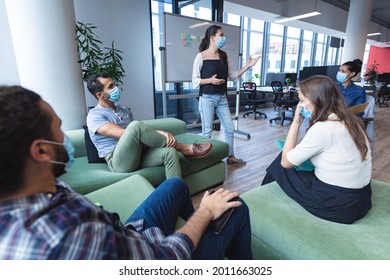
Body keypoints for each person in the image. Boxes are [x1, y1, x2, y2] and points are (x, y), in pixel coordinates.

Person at [0, 85, 252, 260]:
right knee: (235, 205)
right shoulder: (65, 236)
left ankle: (197, 230)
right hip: (151, 243)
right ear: (41, 152)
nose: (63, 136)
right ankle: (205, 236)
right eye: (58, 128)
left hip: (128, 231)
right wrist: (206, 212)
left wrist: (155, 139)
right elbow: (164, 259)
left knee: (175, 185)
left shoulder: (39, 187)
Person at [262, 75, 372, 224]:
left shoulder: (323, 128)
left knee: (279, 163)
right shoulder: (352, 120)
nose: (299, 106)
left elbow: (286, 163)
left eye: (301, 101)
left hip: (339, 205)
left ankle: (262, 206)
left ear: (315, 101)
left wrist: (296, 122)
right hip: (362, 200)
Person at [86, 73, 212, 178]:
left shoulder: (123, 109)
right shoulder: (94, 115)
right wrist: (159, 133)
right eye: (111, 86)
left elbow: (138, 138)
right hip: (118, 162)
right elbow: (125, 134)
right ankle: (185, 148)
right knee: (135, 126)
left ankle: (177, 196)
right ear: (99, 95)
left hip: (137, 153)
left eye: (114, 84)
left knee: (169, 152)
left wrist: (155, 137)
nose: (116, 88)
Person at [192, 24, 261, 165]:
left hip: (222, 98)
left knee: (230, 128)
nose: (223, 38)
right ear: (212, 38)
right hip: (207, 98)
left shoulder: (223, 56)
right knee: (207, 131)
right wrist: (210, 80)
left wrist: (248, 66)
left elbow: (232, 76)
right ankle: (205, 161)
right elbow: (194, 80)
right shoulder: (201, 56)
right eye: (221, 35)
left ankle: (231, 156)